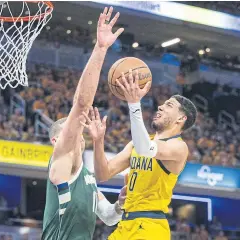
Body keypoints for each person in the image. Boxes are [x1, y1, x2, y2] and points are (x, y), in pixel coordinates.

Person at [81, 70, 197, 239]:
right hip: (125, 224)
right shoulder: (137, 143)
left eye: (169, 106)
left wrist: (134, 104)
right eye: (163, 104)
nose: (160, 106)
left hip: (150, 226)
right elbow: (103, 174)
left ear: (181, 119)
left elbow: (146, 149)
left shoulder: (179, 147)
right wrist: (98, 141)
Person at [42, 6, 125, 240]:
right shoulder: (62, 157)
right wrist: (100, 49)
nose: (77, 133)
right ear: (56, 140)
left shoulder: (87, 177)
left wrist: (119, 204)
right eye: (70, 131)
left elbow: (109, 217)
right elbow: (81, 106)